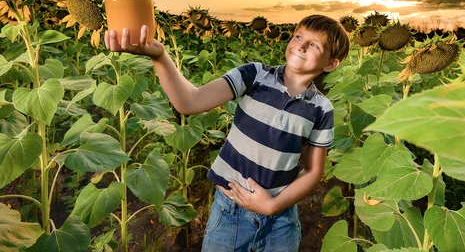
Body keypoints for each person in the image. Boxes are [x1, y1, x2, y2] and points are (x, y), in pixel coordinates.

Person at [104, 14, 350, 251]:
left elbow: (313, 171)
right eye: (298, 36)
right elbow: (190, 102)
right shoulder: (254, 75)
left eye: (314, 44)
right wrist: (160, 57)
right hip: (230, 212)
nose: (301, 46)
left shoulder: (321, 109)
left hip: (280, 220)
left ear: (331, 63)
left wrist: (273, 206)